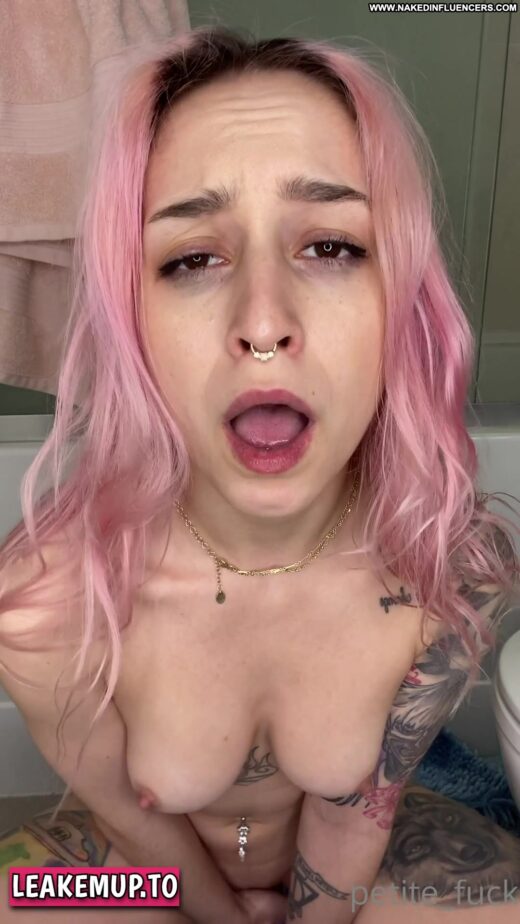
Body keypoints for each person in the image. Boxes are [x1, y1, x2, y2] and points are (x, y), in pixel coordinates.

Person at [0, 24, 519, 924]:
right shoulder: (44, 603)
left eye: (332, 246)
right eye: (193, 258)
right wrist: (221, 913)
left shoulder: (449, 568)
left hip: (365, 862)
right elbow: (130, 816)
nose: (264, 322)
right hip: (151, 868)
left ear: (401, 298)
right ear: (132, 320)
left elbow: (358, 812)